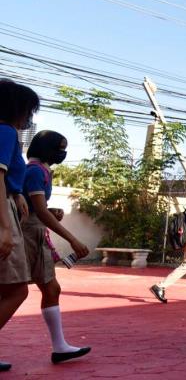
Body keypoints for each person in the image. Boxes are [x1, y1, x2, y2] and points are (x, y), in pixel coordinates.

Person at [21, 130, 91, 364]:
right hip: (29, 235)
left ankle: (60, 347)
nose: (62, 153)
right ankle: (60, 346)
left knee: (51, 289)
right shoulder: (34, 172)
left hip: (34, 233)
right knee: (13, 293)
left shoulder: (38, 171)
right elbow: (38, 211)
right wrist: (72, 239)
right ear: (47, 149)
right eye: (59, 148)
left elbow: (35, 208)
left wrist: (50, 212)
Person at [0, 79, 41, 373]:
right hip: (1, 212)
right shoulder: (6, 132)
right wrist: (5, 226)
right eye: (28, 110)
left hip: (7, 202)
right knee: (17, 290)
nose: (29, 118)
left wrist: (16, 194)